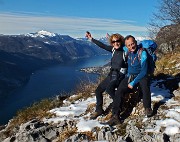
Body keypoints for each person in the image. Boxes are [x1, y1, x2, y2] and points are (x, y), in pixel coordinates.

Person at [107, 35, 153, 126]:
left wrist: (133, 82)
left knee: (145, 87)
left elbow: (144, 71)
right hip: (130, 75)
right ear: (126, 46)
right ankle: (115, 115)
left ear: (136, 42)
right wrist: (110, 38)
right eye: (129, 45)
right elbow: (117, 43)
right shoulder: (127, 50)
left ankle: (147, 107)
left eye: (133, 44)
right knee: (119, 90)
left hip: (141, 75)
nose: (131, 46)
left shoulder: (142, 53)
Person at [85, 31, 127, 119]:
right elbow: (102, 45)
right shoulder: (113, 49)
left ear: (121, 40)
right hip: (112, 74)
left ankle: (120, 104)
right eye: (113, 42)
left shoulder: (125, 51)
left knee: (109, 89)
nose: (116, 43)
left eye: (117, 41)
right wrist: (91, 39)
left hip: (120, 76)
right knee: (98, 91)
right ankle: (99, 110)